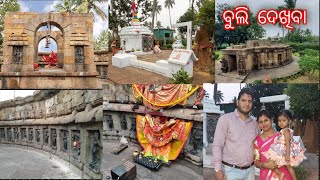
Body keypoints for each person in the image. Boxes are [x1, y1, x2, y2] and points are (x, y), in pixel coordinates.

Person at [212, 88, 259, 180]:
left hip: (250, 171)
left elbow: (257, 146)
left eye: (249, 101)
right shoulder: (225, 120)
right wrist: (217, 170)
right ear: (237, 102)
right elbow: (217, 145)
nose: (247, 104)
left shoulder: (255, 123)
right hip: (231, 171)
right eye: (243, 100)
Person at [262, 110, 306, 180]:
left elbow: (288, 142)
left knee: (272, 161)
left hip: (283, 151)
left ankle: (282, 174)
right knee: (284, 165)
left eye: (284, 120)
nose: (281, 122)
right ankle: (283, 175)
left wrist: (287, 154)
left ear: (290, 121)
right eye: (279, 120)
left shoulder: (286, 131)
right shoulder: (285, 130)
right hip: (281, 149)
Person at [254, 110, 293, 180]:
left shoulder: (281, 136)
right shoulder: (257, 141)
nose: (264, 124)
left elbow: (290, 154)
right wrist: (265, 165)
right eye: (261, 122)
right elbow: (256, 161)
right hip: (266, 176)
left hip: (284, 175)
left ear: (271, 120)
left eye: (266, 120)